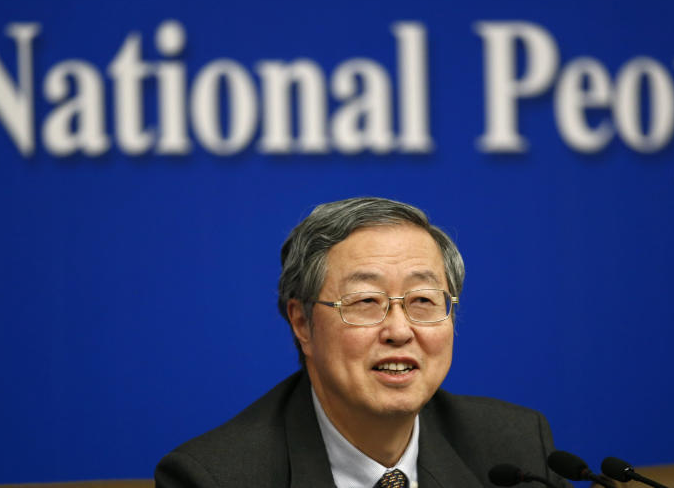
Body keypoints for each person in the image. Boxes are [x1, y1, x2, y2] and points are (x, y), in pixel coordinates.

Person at [155, 197, 567, 488]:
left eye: (423, 301)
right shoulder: (216, 477)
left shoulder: (515, 448)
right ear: (301, 322)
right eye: (366, 302)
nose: (399, 331)